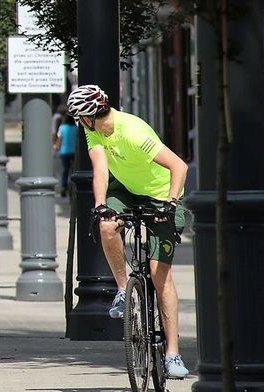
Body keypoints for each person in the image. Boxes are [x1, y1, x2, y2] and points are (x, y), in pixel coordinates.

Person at [66, 84, 190, 380]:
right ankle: (123, 288)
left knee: (161, 275)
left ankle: (172, 353)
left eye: (77, 117)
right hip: (127, 190)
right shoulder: (93, 129)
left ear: (88, 115)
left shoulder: (134, 131)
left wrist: (171, 204)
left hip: (162, 195)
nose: (78, 122)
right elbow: (100, 170)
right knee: (107, 224)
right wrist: (99, 205)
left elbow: (179, 166)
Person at [54, 108, 77, 196]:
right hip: (74, 152)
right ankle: (73, 187)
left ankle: (64, 187)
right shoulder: (76, 128)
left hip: (64, 152)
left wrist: (56, 147)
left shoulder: (62, 127)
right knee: (73, 170)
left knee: (65, 170)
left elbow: (59, 140)